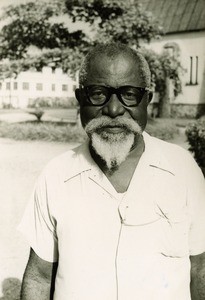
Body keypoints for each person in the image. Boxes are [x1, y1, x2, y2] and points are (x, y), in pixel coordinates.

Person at [19, 42, 205, 300]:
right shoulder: (56, 176)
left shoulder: (183, 171)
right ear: (80, 98)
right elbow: (39, 277)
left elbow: (200, 269)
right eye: (98, 93)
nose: (114, 109)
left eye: (129, 94)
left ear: (147, 100)